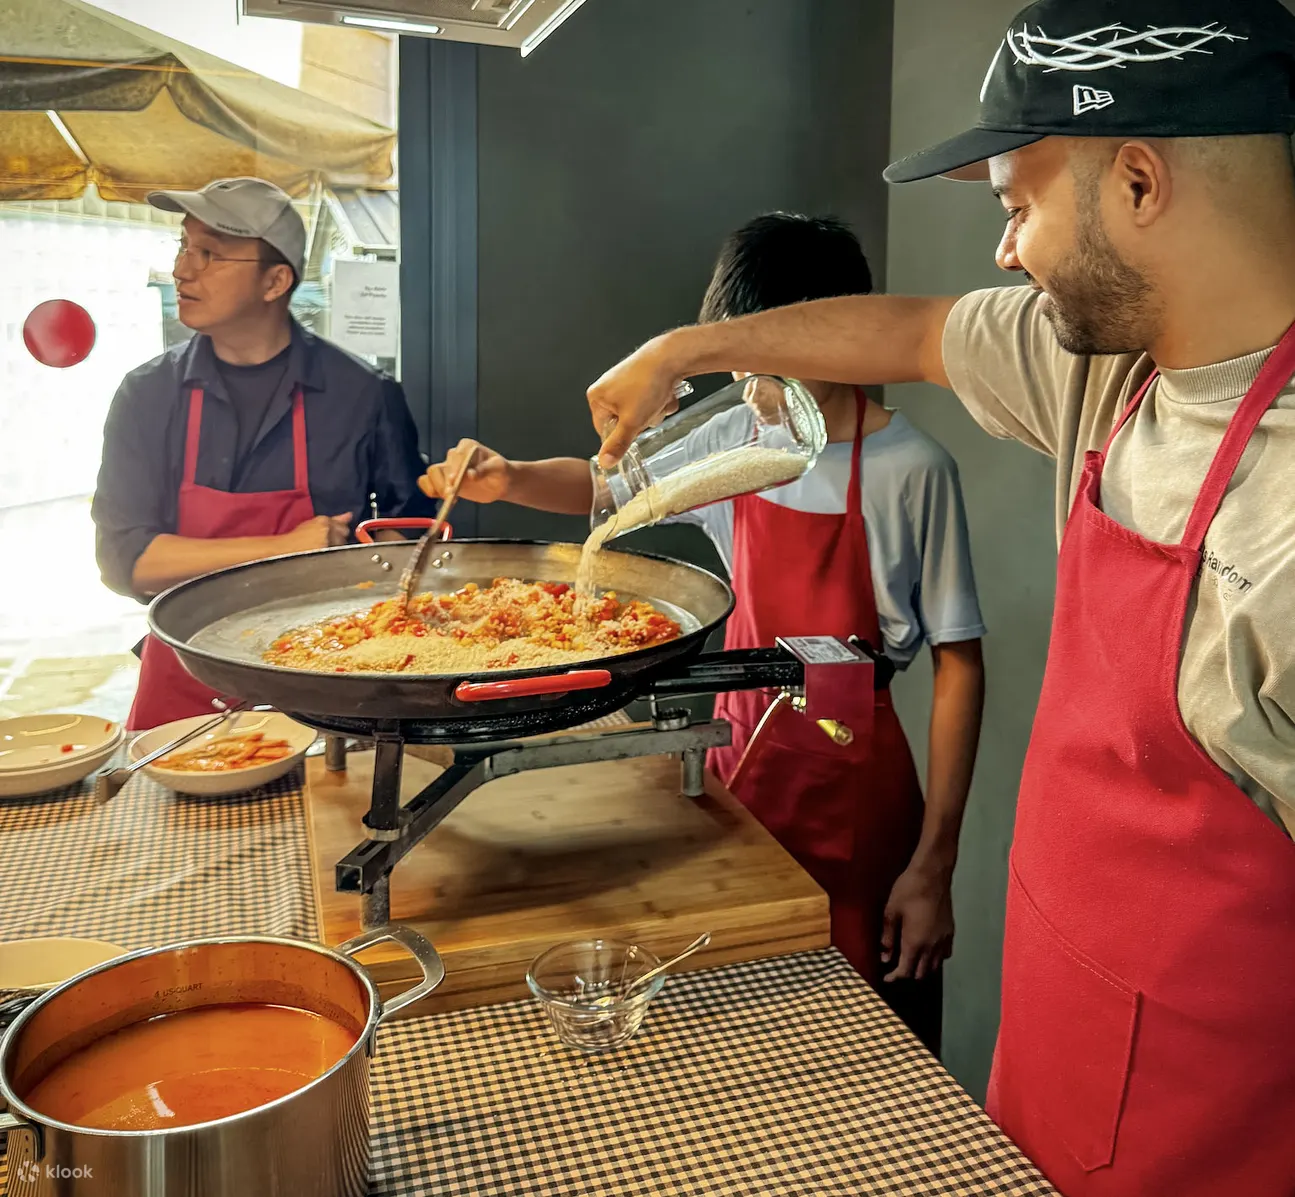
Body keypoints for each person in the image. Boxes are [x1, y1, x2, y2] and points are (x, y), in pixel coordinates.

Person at [579, 2, 1295, 1195]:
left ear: (1135, 182)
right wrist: (681, 351)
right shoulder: (1113, 372)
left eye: (1015, 206)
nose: (1004, 252)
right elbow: (908, 331)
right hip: (1052, 1047)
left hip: (1205, 1124)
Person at [420, 213, 986, 1052]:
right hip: (735, 762)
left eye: (772, 362)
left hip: (856, 783)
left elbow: (959, 667)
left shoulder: (912, 470)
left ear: (837, 339)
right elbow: (607, 490)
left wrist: (933, 864)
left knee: (860, 1024)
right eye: (739, 365)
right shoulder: (738, 440)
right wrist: (508, 479)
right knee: (734, 1001)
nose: (755, 389)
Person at [91, 177, 434, 731]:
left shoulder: (363, 394)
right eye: (183, 245)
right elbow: (127, 562)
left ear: (275, 280)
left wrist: (380, 563)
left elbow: (410, 539)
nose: (182, 269)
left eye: (209, 253)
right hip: (185, 679)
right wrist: (286, 550)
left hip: (327, 676)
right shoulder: (148, 394)